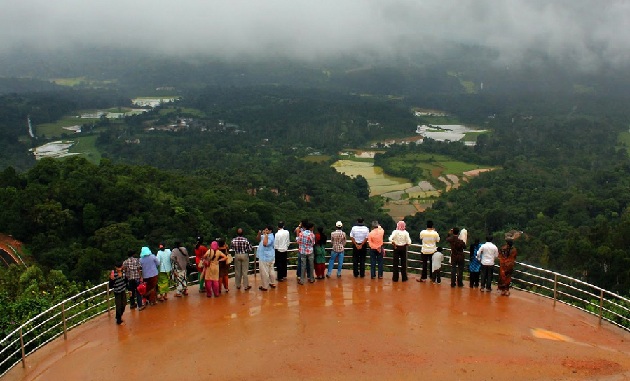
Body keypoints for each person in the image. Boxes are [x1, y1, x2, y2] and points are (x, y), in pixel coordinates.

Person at [256, 225, 276, 291]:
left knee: (264, 272)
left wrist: (266, 235)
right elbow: (258, 239)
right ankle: (272, 283)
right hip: (268, 256)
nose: (265, 231)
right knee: (271, 270)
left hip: (265, 257)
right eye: (265, 230)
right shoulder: (265, 236)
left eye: (267, 230)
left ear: (270, 231)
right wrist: (259, 233)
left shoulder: (271, 237)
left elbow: (265, 243)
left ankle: (265, 286)